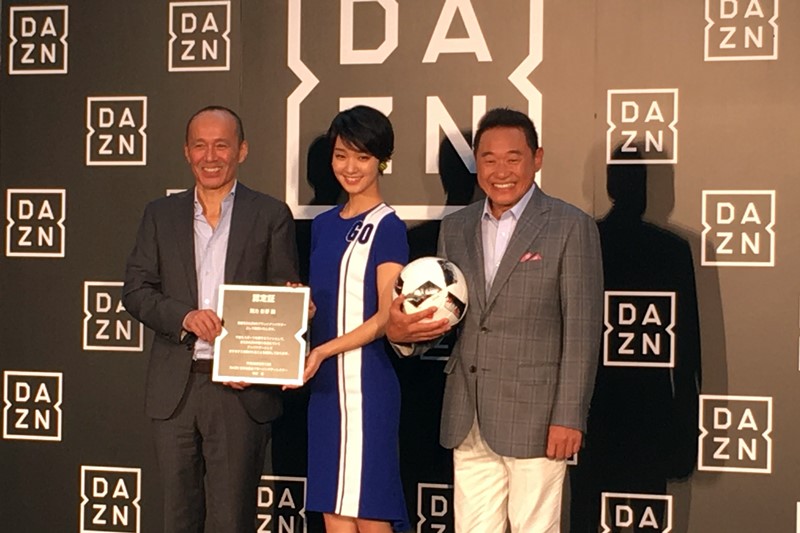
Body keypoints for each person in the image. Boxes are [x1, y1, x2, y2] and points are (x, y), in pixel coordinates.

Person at [386, 107, 603, 532]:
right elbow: (449, 314)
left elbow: (582, 331)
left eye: (513, 158)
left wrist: (569, 415)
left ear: (537, 158)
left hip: (538, 419)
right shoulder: (457, 227)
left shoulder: (569, 226)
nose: (500, 171)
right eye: (488, 159)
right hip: (468, 416)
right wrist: (404, 335)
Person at [122, 105, 300, 532]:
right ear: (187, 152)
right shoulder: (159, 214)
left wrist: (293, 311)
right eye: (200, 145)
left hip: (239, 393)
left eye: (221, 145)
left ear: (242, 150)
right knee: (178, 518)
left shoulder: (270, 214)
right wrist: (184, 317)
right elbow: (136, 291)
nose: (210, 156)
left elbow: (283, 292)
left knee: (232, 519)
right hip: (176, 390)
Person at [298, 105, 410, 532]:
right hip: (325, 388)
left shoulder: (388, 226)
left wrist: (323, 350)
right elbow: (325, 302)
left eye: (362, 157)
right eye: (341, 155)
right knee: (334, 512)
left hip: (367, 386)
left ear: (382, 160)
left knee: (369, 512)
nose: (350, 167)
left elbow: (386, 316)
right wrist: (303, 311)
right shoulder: (324, 225)